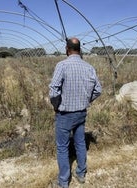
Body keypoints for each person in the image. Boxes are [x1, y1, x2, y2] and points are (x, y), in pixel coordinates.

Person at [49, 37, 102, 188]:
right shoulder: (89, 67)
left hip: (65, 114)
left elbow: (53, 91)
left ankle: (64, 182)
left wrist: (56, 105)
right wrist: (87, 100)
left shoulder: (62, 65)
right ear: (80, 50)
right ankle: (81, 173)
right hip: (81, 113)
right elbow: (98, 90)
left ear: (67, 49)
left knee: (62, 147)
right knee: (80, 142)